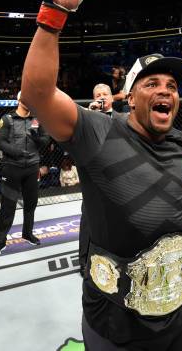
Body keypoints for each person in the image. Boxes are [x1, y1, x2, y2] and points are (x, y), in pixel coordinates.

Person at [21, 0, 182, 350]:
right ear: (130, 95)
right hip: (116, 318)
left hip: (181, 306)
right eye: (152, 83)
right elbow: (38, 94)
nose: (166, 91)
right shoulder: (97, 129)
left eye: (172, 85)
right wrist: (54, 15)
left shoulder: (179, 142)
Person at [0, 92, 50, 256]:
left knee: (31, 203)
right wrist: (17, 152)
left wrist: (37, 137)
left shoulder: (38, 118)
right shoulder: (7, 119)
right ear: (19, 101)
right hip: (12, 168)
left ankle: (27, 233)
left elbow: (46, 141)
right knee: (7, 207)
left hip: (32, 168)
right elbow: (0, 142)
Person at [80, 83, 115, 274]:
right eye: (98, 95)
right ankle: (85, 261)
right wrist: (88, 114)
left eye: (105, 94)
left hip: (117, 177)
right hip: (93, 177)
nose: (101, 97)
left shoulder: (124, 118)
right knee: (89, 217)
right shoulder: (86, 117)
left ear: (111, 97)